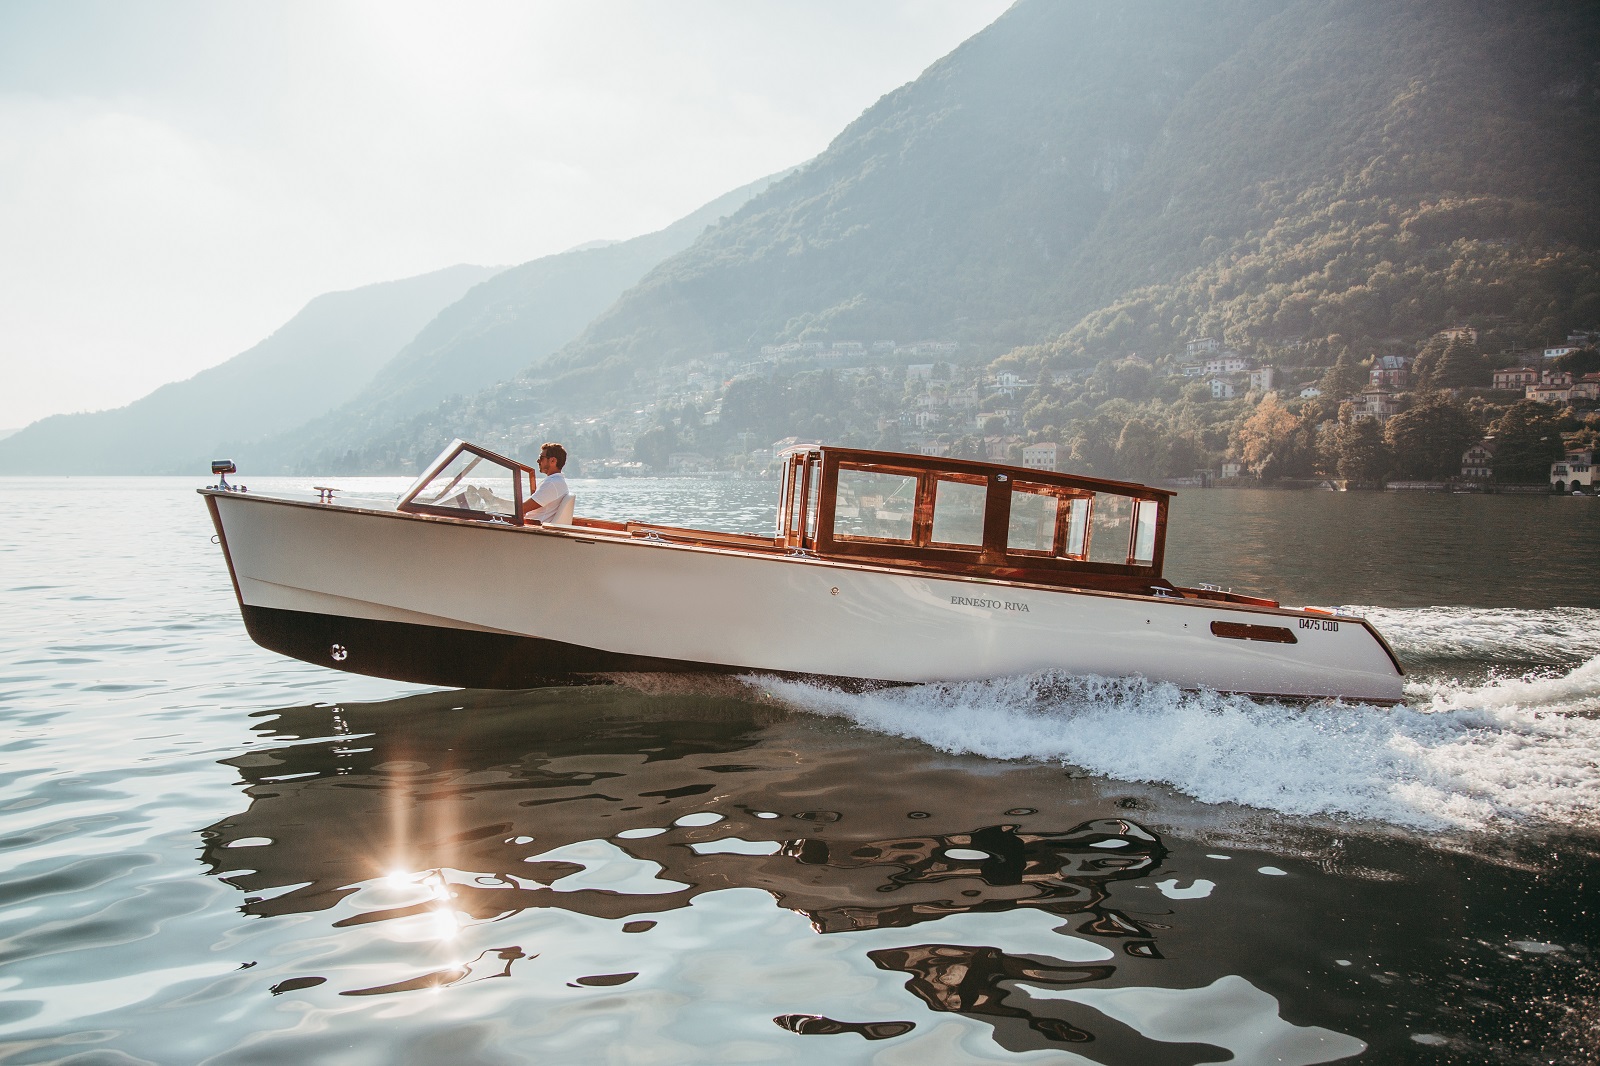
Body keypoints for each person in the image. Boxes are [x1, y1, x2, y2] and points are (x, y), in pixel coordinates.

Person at [523, 442, 570, 522]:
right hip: (530, 526)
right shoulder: (556, 481)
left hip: (533, 530)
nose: (538, 461)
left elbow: (523, 508)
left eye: (541, 458)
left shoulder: (552, 483)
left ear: (553, 461)